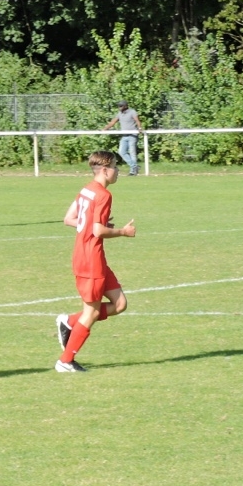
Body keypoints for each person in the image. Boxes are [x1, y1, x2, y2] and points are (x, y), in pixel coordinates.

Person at [54, 150, 136, 373]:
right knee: (90, 313)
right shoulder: (103, 195)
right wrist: (123, 232)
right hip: (90, 259)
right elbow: (98, 231)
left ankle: (70, 321)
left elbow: (70, 219)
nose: (118, 171)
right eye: (116, 166)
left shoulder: (87, 189)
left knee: (120, 304)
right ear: (105, 170)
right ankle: (65, 361)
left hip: (91, 257)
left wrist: (95, 224)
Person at [102, 100, 143, 176]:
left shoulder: (132, 112)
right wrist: (105, 129)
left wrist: (140, 128)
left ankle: (133, 171)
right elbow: (113, 122)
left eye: (121, 106)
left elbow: (137, 120)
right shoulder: (119, 114)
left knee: (132, 152)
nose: (119, 107)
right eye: (119, 106)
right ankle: (134, 166)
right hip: (124, 136)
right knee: (121, 152)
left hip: (132, 135)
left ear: (126, 106)